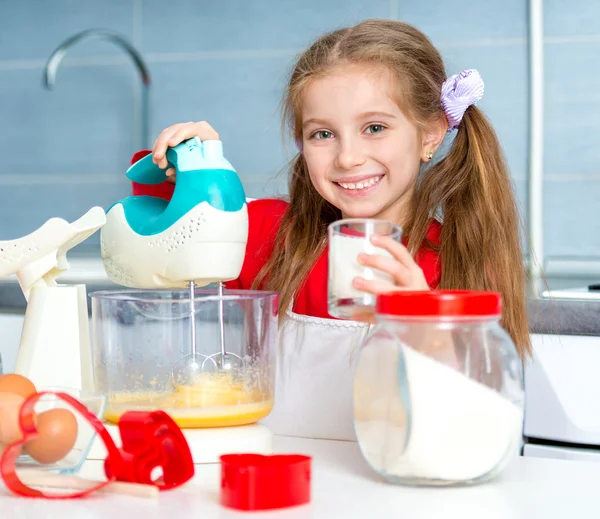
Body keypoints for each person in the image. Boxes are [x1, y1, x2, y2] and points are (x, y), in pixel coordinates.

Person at [130, 19, 529, 440]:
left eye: (374, 128)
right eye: (323, 134)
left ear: (429, 134)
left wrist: (424, 325)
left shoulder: (459, 263)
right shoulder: (267, 234)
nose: (348, 157)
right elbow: (163, 240)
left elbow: (479, 426)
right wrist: (194, 173)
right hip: (283, 496)